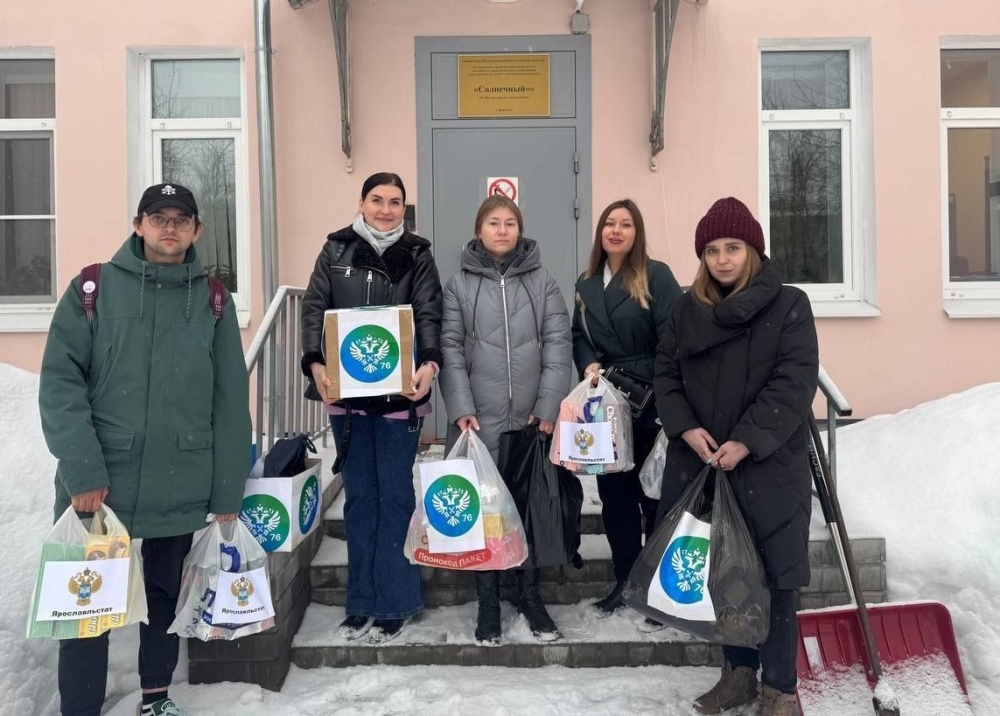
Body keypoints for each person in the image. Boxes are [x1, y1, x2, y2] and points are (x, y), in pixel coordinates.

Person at [38, 183, 252, 716]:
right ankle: (81, 708)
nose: (170, 228)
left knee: (163, 596)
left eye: (181, 219)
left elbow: (229, 398)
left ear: (197, 230)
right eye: (159, 218)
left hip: (179, 474)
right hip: (100, 483)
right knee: (87, 603)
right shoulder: (93, 288)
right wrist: (81, 470)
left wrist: (227, 487)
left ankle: (156, 696)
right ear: (139, 225)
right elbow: (61, 384)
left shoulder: (214, 300)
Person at [653, 197, 819, 716]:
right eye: (712, 250)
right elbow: (666, 374)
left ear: (753, 249)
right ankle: (738, 676)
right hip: (707, 466)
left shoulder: (789, 305)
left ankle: (780, 689)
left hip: (769, 466)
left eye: (733, 247)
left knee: (777, 577)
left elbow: (794, 381)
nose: (722, 259)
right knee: (723, 574)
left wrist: (747, 438)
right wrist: (685, 427)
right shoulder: (688, 310)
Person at [300, 172, 443, 645]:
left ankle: (396, 602)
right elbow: (314, 308)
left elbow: (429, 312)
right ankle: (361, 601)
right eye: (377, 200)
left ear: (404, 208)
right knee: (361, 498)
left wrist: (430, 364)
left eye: (395, 202)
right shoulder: (335, 250)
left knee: (396, 497)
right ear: (361, 203)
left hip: (401, 396)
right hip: (348, 399)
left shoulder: (418, 254)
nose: (385, 209)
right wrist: (315, 363)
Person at [439, 195, 573, 644]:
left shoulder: (542, 282)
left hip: (531, 421)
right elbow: (450, 349)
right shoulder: (458, 285)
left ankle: (530, 594)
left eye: (510, 223)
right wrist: (461, 408)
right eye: (493, 222)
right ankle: (488, 600)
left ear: (520, 230)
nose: (502, 230)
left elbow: (558, 344)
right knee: (485, 511)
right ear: (479, 230)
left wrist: (549, 406)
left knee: (528, 508)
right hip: (479, 421)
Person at [571, 199, 682, 616]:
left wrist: (659, 389)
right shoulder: (586, 282)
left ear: (637, 234)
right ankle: (625, 581)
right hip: (606, 404)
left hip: (651, 402)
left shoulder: (656, 276)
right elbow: (576, 335)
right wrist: (588, 362)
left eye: (626, 224)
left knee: (652, 496)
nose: (616, 231)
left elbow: (674, 340)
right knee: (614, 498)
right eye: (609, 224)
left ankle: (655, 587)